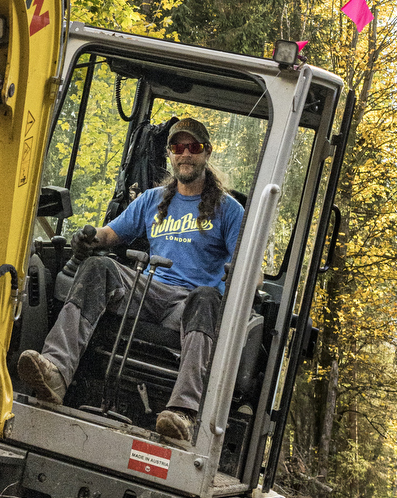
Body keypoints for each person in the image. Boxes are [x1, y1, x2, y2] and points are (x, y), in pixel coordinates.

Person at [16, 117, 242, 447]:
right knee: (98, 267)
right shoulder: (153, 199)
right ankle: (56, 372)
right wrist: (89, 238)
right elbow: (110, 234)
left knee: (208, 296)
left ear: (206, 153)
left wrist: (236, 273)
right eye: (178, 147)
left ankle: (182, 413)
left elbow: (250, 266)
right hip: (148, 288)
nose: (185, 154)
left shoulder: (229, 210)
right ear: (170, 155)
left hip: (188, 303)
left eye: (193, 147)